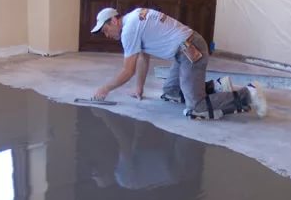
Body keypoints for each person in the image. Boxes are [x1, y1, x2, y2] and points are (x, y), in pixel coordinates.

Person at [91, 7, 268, 120]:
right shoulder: (134, 17)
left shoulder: (128, 30)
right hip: (184, 49)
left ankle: (250, 94)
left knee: (197, 107)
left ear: (114, 20)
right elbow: (143, 57)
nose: (107, 35)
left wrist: (105, 89)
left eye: (106, 30)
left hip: (190, 50)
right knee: (171, 92)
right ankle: (218, 87)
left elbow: (127, 70)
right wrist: (139, 88)